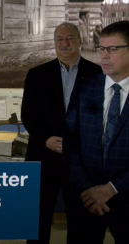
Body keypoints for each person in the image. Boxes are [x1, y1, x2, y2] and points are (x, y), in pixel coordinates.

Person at [21, 22, 102, 244]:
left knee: (82, 221)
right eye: (59, 39)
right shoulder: (37, 75)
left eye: (69, 38)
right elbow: (28, 115)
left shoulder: (97, 73)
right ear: (54, 43)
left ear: (79, 41)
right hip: (43, 156)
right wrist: (45, 139)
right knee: (37, 219)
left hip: (82, 160)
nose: (64, 43)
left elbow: (101, 118)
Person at [63, 20, 129, 243]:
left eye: (113, 49)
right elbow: (70, 143)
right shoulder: (85, 88)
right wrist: (87, 189)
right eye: (101, 48)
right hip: (85, 199)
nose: (104, 55)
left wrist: (111, 188)